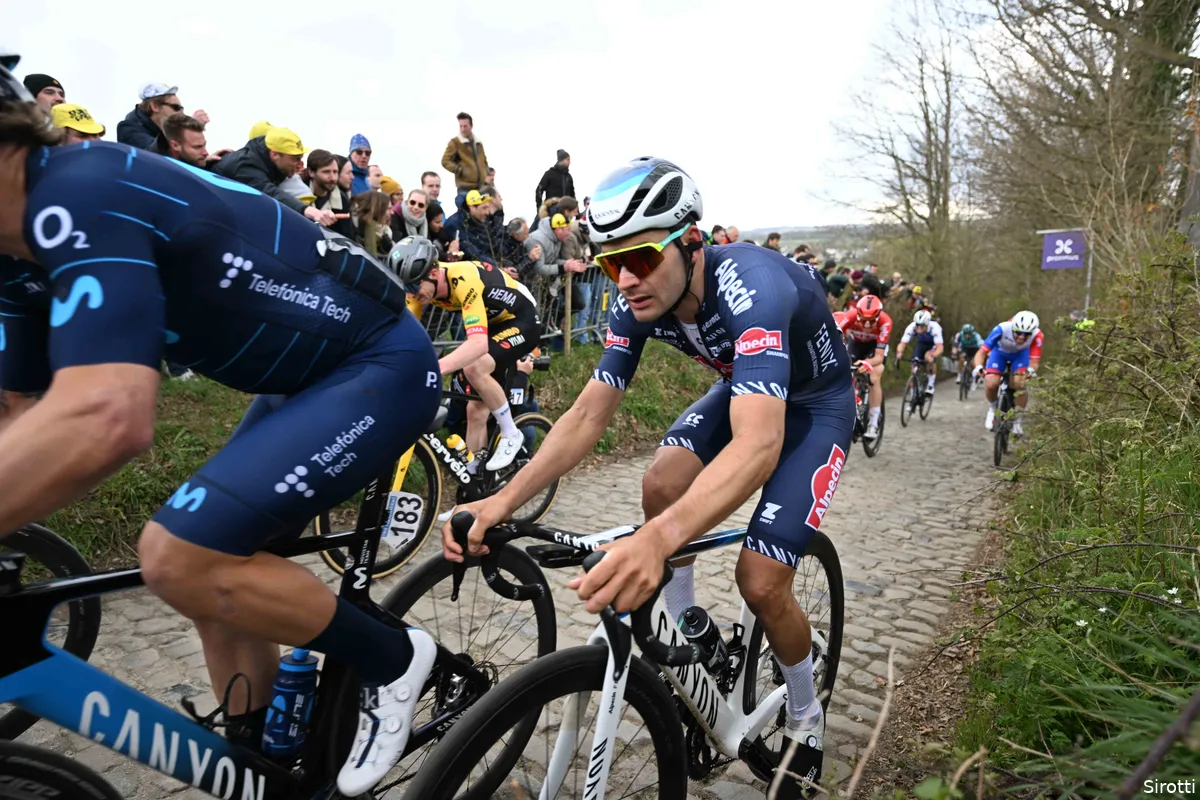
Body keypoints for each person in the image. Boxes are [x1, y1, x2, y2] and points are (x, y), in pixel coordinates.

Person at [0, 57, 439, 796]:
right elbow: (19, 420)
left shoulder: (75, 189)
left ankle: (394, 658)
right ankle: (261, 760)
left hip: (378, 361)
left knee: (178, 555)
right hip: (299, 381)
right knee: (206, 572)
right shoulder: (14, 263)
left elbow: (106, 414)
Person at [446, 156, 854, 798]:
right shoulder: (637, 301)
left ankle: (806, 717)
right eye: (611, 262)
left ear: (691, 241)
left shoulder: (752, 286)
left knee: (761, 579)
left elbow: (759, 444)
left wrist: (655, 542)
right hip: (744, 387)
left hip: (814, 408)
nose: (626, 279)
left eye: (640, 258)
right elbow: (586, 415)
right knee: (661, 482)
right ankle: (691, 633)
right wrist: (500, 501)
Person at [395, 238, 540, 476]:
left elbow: (478, 344)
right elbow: (404, 335)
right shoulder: (420, 288)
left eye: (415, 287)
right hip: (494, 324)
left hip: (522, 319)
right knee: (475, 411)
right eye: (407, 289)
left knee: (474, 367)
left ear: (433, 272)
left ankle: (511, 433)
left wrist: (434, 369)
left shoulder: (463, 277)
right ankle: (474, 483)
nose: (413, 294)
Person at [973, 311, 1042, 434]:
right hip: (999, 354)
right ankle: (993, 410)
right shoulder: (1002, 328)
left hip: (1020, 356)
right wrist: (978, 366)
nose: (1021, 337)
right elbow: (981, 352)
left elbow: (1034, 362)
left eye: (1026, 334)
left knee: (1020, 384)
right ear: (1013, 327)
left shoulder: (1038, 335)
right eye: (1018, 332)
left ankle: (1017, 420)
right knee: (991, 383)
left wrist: (1030, 371)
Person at [837, 295, 892, 439]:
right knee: (845, 371)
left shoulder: (885, 322)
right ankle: (854, 400)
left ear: (878, 317)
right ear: (857, 315)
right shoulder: (849, 316)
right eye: (863, 321)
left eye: (872, 321)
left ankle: (873, 423)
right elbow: (832, 337)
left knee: (875, 374)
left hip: (875, 349)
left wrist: (868, 362)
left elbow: (879, 357)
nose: (867, 326)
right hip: (856, 346)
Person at [893, 309, 944, 394]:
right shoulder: (911, 327)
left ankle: (930, 385)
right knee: (914, 369)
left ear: (927, 324)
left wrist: (933, 356)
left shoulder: (935, 328)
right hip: (921, 345)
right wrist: (899, 353)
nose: (919, 328)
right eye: (917, 325)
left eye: (922, 326)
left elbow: (940, 348)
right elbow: (903, 343)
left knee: (928, 357)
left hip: (933, 345)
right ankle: (913, 397)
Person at [535, 149, 575, 214]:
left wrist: (576, 212)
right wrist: (540, 208)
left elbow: (572, 195)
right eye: (568, 159)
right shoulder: (550, 174)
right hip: (551, 210)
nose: (570, 162)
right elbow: (539, 190)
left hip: (566, 211)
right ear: (562, 160)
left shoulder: (568, 177)